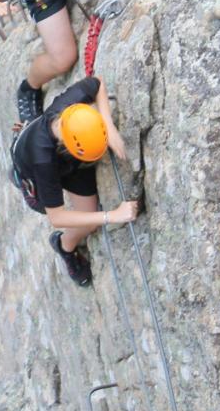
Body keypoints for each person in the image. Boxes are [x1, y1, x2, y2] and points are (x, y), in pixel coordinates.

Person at [10, 75, 140, 286]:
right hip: (35, 168)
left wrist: (109, 126)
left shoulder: (70, 108)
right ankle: (64, 245)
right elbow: (57, 217)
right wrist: (112, 215)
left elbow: (97, 84)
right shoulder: (43, 161)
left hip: (69, 162)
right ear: (72, 148)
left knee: (89, 220)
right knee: (74, 216)